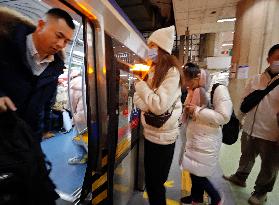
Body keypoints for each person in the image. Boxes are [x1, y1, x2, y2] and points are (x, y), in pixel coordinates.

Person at [0, 7, 75, 141]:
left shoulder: (54, 69)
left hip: (23, 141)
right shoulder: (5, 42)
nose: (61, 44)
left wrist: (39, 136)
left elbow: (44, 106)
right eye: (59, 36)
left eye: (66, 41)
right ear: (40, 26)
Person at [223, 44, 279, 205]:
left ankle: (261, 192)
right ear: (269, 59)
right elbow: (244, 102)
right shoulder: (256, 79)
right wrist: (238, 120)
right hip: (249, 129)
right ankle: (240, 177)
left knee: (269, 166)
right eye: (277, 58)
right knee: (246, 156)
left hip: (271, 134)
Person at [133, 25, 183, 205]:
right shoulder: (152, 70)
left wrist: (140, 85)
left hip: (164, 139)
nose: (149, 50)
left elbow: (159, 106)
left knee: (156, 184)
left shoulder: (172, 72)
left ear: (161, 48)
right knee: (150, 182)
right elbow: (138, 100)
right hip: (150, 135)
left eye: (152, 46)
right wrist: (148, 105)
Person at [181, 63, 232, 205]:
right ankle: (196, 198)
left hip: (207, 138)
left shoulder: (217, 88)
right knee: (193, 170)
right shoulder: (194, 89)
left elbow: (224, 117)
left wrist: (196, 111)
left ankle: (216, 198)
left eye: (188, 81)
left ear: (197, 77)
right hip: (195, 135)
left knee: (199, 174)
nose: (186, 84)